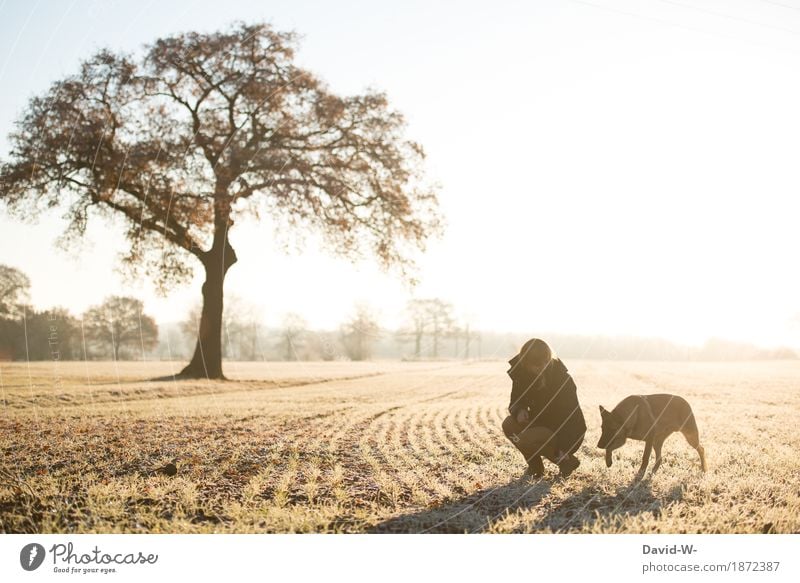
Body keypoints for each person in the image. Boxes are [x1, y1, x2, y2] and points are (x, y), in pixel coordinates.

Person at [501, 338, 586, 478]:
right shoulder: (522, 375)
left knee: (524, 439)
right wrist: (520, 410)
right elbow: (515, 401)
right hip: (540, 423)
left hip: (566, 431)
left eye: (543, 364)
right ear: (525, 362)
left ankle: (566, 460)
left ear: (548, 359)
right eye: (534, 365)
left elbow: (571, 416)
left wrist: (563, 447)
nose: (539, 368)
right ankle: (536, 468)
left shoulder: (563, 380)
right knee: (509, 424)